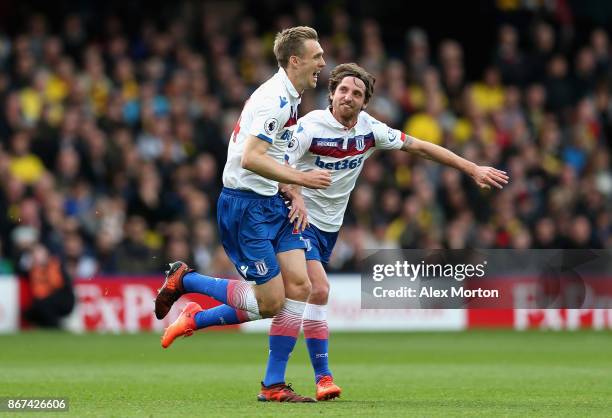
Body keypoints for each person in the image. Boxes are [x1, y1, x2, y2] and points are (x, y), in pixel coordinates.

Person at [281, 63, 509, 399]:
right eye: (343, 90)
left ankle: (196, 299)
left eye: (357, 93)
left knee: (269, 300)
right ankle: (323, 378)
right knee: (319, 289)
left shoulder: (370, 130)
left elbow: (420, 147)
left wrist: (471, 167)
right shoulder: (310, 125)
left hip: (328, 229)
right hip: (296, 218)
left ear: (364, 103)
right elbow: (280, 163)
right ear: (331, 93)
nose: (348, 96)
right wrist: (297, 195)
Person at [154, 26, 329, 403]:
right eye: (317, 56)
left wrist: (292, 190)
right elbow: (250, 158)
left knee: (301, 286)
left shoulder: (290, 97)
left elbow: (271, 154)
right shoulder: (275, 101)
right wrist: (303, 178)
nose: (322, 63)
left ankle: (273, 385)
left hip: (270, 201)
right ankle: (187, 281)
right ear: (295, 61)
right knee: (270, 304)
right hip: (245, 208)